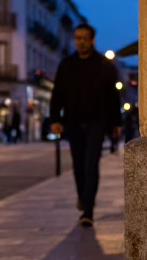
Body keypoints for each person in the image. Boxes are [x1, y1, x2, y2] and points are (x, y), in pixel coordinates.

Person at [50, 23, 122, 227]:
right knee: (78, 166)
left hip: (96, 122)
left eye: (83, 38)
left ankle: (88, 210)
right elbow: (58, 94)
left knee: (91, 165)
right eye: (76, 38)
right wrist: (55, 118)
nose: (79, 42)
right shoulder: (66, 65)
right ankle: (83, 195)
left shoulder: (104, 66)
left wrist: (116, 122)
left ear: (91, 40)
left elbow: (112, 97)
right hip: (73, 121)